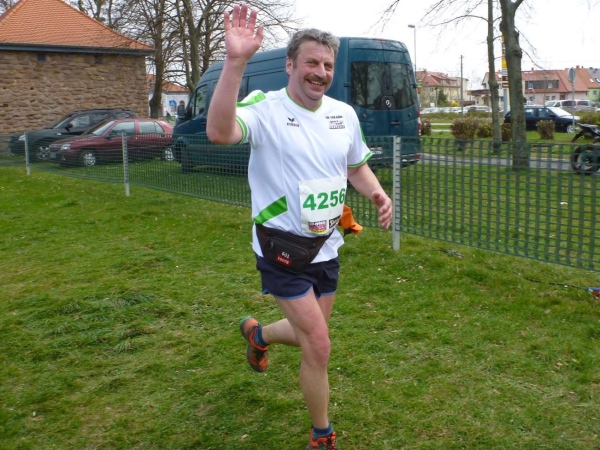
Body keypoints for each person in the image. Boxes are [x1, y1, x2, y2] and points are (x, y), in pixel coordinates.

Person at [206, 4, 392, 449]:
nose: (320, 72)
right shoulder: (265, 108)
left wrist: (376, 193)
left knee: (309, 332)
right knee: (319, 344)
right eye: (311, 62)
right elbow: (220, 132)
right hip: (280, 249)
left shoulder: (343, 114)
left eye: (327, 65)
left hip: (326, 246)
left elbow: (354, 166)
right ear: (290, 65)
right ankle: (322, 434)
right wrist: (235, 63)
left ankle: (258, 334)